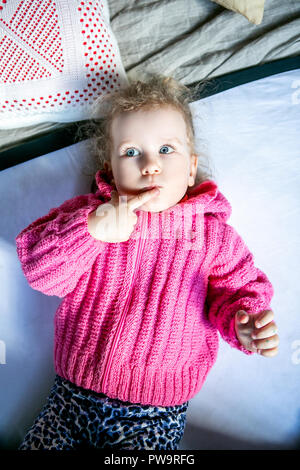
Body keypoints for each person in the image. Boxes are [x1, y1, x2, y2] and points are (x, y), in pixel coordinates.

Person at [15, 75, 279, 451]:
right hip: (70, 399)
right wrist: (91, 229)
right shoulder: (92, 216)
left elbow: (240, 291)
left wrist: (246, 322)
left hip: (155, 412)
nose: (150, 165)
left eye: (166, 150)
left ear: (191, 168)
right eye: (132, 152)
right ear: (110, 167)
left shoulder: (213, 237)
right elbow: (39, 269)